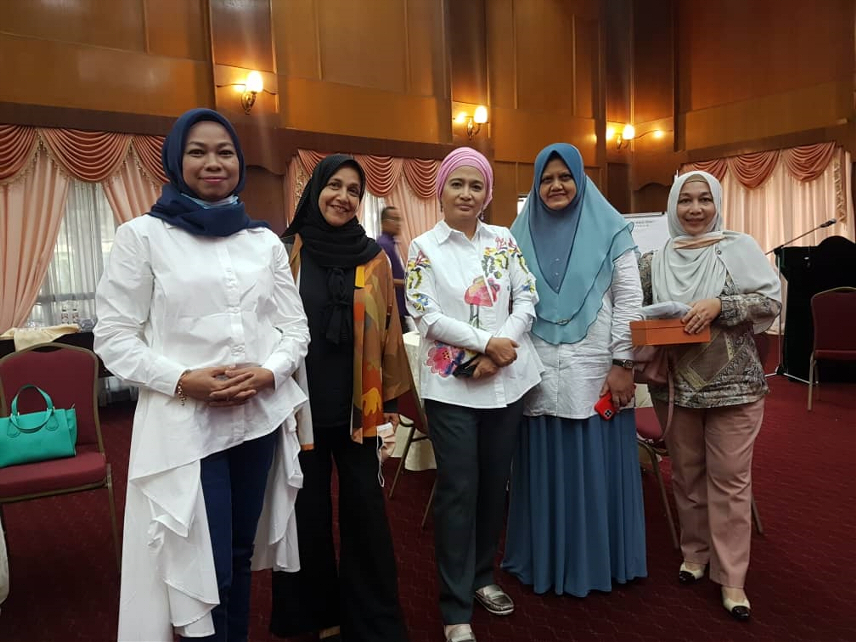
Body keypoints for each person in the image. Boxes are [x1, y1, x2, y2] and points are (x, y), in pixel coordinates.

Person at [94, 108, 310, 642]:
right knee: (203, 563)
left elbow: (294, 329)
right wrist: (183, 379)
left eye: (225, 152)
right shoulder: (142, 237)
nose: (213, 162)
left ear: (240, 162)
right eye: (198, 152)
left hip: (257, 420)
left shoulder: (263, 241)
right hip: (187, 429)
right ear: (176, 161)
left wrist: (268, 373)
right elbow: (114, 338)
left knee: (238, 553)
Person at [269, 155, 411, 642]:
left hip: (358, 409)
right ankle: (315, 615)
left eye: (354, 190)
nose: (344, 197)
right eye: (335, 185)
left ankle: (370, 620)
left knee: (366, 514)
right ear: (314, 190)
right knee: (305, 513)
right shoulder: (285, 251)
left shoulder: (373, 258)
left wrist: (389, 406)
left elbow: (389, 331)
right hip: (300, 409)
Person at [405, 147, 542, 642]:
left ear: (488, 194)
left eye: (476, 185)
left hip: (506, 384)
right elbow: (426, 315)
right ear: (440, 189)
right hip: (452, 388)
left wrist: (500, 349)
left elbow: (527, 296)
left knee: (493, 486)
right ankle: (454, 605)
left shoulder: (504, 239)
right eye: (457, 184)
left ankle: (483, 576)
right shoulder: (423, 247)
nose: (466, 194)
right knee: (458, 490)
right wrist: (487, 344)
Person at [502, 143, 647, 597]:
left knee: (593, 462)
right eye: (546, 179)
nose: (556, 186)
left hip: (597, 368)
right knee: (544, 463)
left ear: (581, 179)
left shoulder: (612, 229)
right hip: (538, 370)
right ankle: (543, 559)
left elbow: (630, 300)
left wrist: (623, 363)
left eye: (565, 176)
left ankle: (597, 563)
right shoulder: (516, 236)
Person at [638, 170, 781, 621]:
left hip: (735, 388)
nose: (695, 209)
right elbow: (633, 312)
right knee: (686, 475)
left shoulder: (738, 248)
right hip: (675, 386)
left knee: (730, 482)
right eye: (686, 200)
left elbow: (770, 302)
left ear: (717, 203)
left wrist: (721, 305)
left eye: (704, 199)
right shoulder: (654, 260)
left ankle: (732, 577)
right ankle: (694, 553)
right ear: (673, 207)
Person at [376, 205, 411, 332]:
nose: (398, 224)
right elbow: (382, 279)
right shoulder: (383, 245)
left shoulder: (391, 243)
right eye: (394, 219)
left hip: (397, 308)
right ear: (384, 223)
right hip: (391, 309)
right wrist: (407, 283)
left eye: (399, 219)